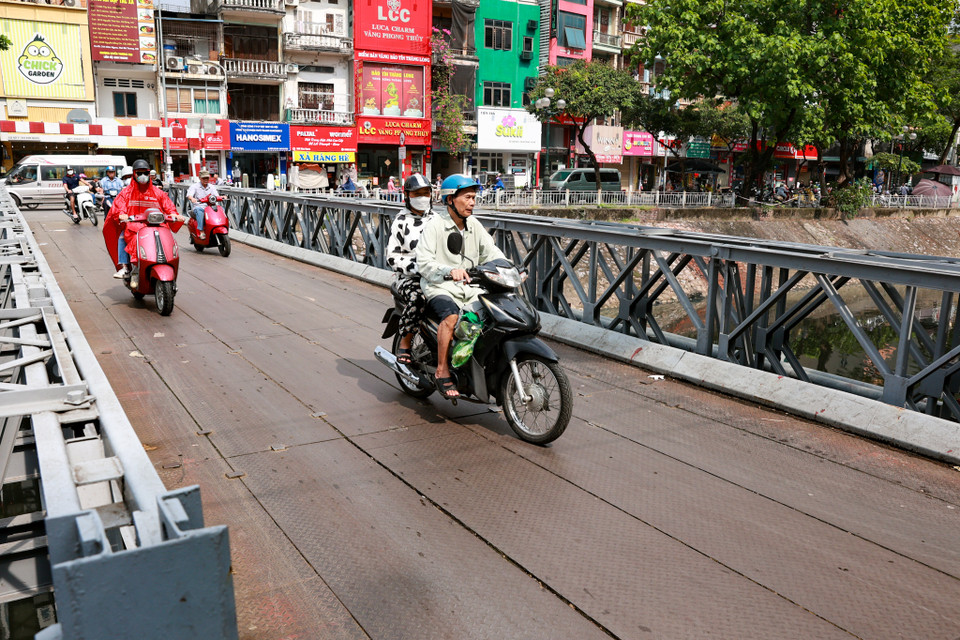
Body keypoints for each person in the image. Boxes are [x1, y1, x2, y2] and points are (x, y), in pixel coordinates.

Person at [415, 174, 507, 399]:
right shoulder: (434, 226)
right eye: (467, 197)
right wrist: (449, 271)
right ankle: (442, 369)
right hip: (440, 287)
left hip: (471, 288)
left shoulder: (474, 224)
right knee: (451, 317)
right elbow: (424, 263)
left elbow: (491, 251)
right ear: (450, 200)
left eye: (474, 197)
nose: (472, 202)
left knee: (495, 315)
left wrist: (508, 268)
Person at [103, 159, 186, 284]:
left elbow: (169, 207)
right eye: (139, 173)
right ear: (134, 174)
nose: (143, 176)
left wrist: (175, 215)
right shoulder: (126, 193)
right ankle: (125, 267)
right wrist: (122, 215)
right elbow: (119, 208)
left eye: (145, 173)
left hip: (157, 226)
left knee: (169, 241)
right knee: (122, 236)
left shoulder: (158, 193)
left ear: (149, 174)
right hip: (133, 226)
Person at [386, 174, 434, 364]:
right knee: (418, 299)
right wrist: (417, 268)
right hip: (410, 278)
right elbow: (392, 256)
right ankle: (405, 342)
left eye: (425, 192)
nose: (422, 197)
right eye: (417, 193)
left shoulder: (438, 219)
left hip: (437, 276)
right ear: (408, 196)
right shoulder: (400, 221)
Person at [186, 169, 219, 240]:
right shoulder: (194, 186)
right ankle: (201, 231)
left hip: (210, 208)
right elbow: (189, 195)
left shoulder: (212, 187)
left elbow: (216, 196)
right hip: (199, 207)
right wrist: (192, 198)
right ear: (200, 178)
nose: (205, 180)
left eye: (207, 178)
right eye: (204, 178)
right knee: (199, 210)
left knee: (220, 209)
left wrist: (223, 197)